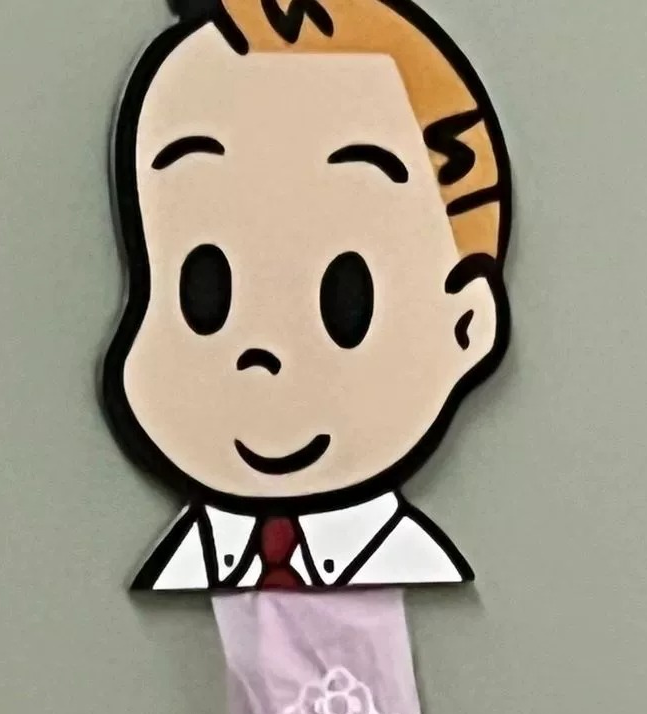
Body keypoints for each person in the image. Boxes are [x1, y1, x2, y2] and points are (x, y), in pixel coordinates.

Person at [103, 0, 511, 593]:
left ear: (466, 324)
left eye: (345, 301)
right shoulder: (176, 570)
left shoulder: (426, 575)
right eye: (204, 292)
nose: (263, 353)